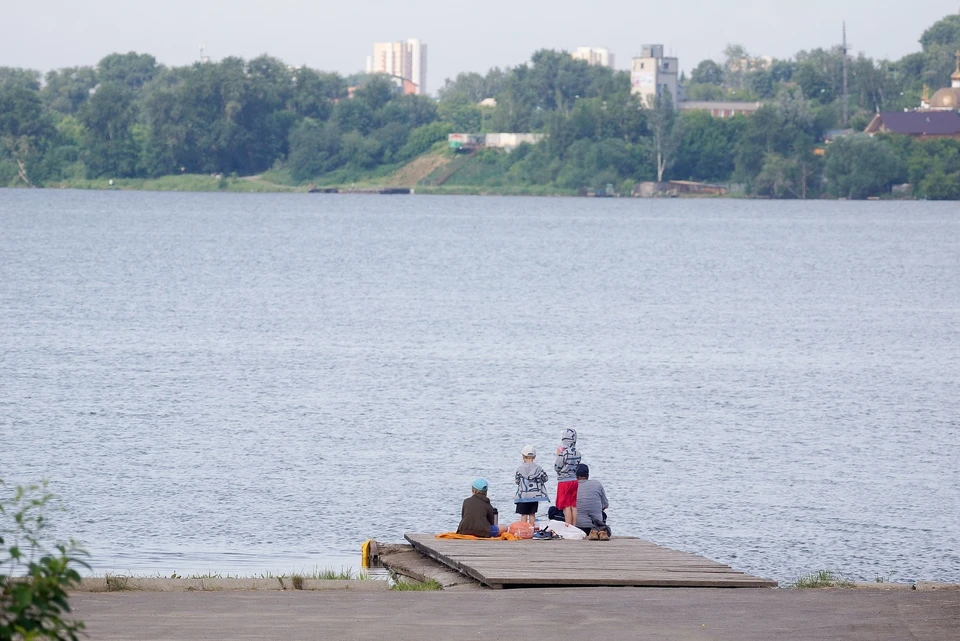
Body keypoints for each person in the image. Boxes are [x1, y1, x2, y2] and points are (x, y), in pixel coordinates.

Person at [514, 444, 549, 526]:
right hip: (534, 496)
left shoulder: (520, 469)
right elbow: (545, 478)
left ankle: (524, 530)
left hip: (523, 496)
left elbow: (517, 481)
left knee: (523, 514)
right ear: (535, 456)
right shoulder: (539, 469)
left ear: (523, 456)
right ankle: (531, 530)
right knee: (532, 514)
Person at [573, 464, 610, 540]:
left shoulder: (572, 485)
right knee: (603, 514)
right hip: (596, 527)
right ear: (588, 475)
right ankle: (599, 531)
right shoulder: (597, 484)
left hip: (577, 527)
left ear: (575, 475)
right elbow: (605, 505)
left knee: (554, 511)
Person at [554, 428, 581, 528]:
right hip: (574, 480)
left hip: (564, 482)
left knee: (566, 506)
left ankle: (568, 527)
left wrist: (558, 455)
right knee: (573, 505)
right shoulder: (578, 453)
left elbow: (557, 467)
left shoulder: (564, 453)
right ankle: (574, 527)